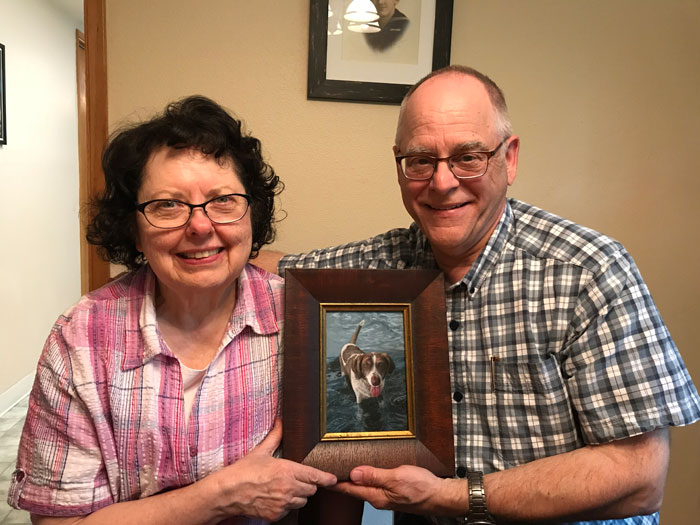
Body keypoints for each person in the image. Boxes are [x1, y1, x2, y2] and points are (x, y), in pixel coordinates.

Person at [257, 66, 700, 524]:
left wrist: (449, 497)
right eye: (421, 160)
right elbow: (265, 266)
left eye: (468, 156)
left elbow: (640, 476)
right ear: (400, 164)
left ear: (509, 158)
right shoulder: (379, 269)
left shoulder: (587, 270)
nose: (443, 182)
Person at [7, 96, 338, 524]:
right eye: (167, 205)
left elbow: (338, 471)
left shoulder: (304, 319)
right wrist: (221, 495)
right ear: (134, 227)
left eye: (223, 200)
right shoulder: (82, 339)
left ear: (251, 213)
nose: (200, 226)